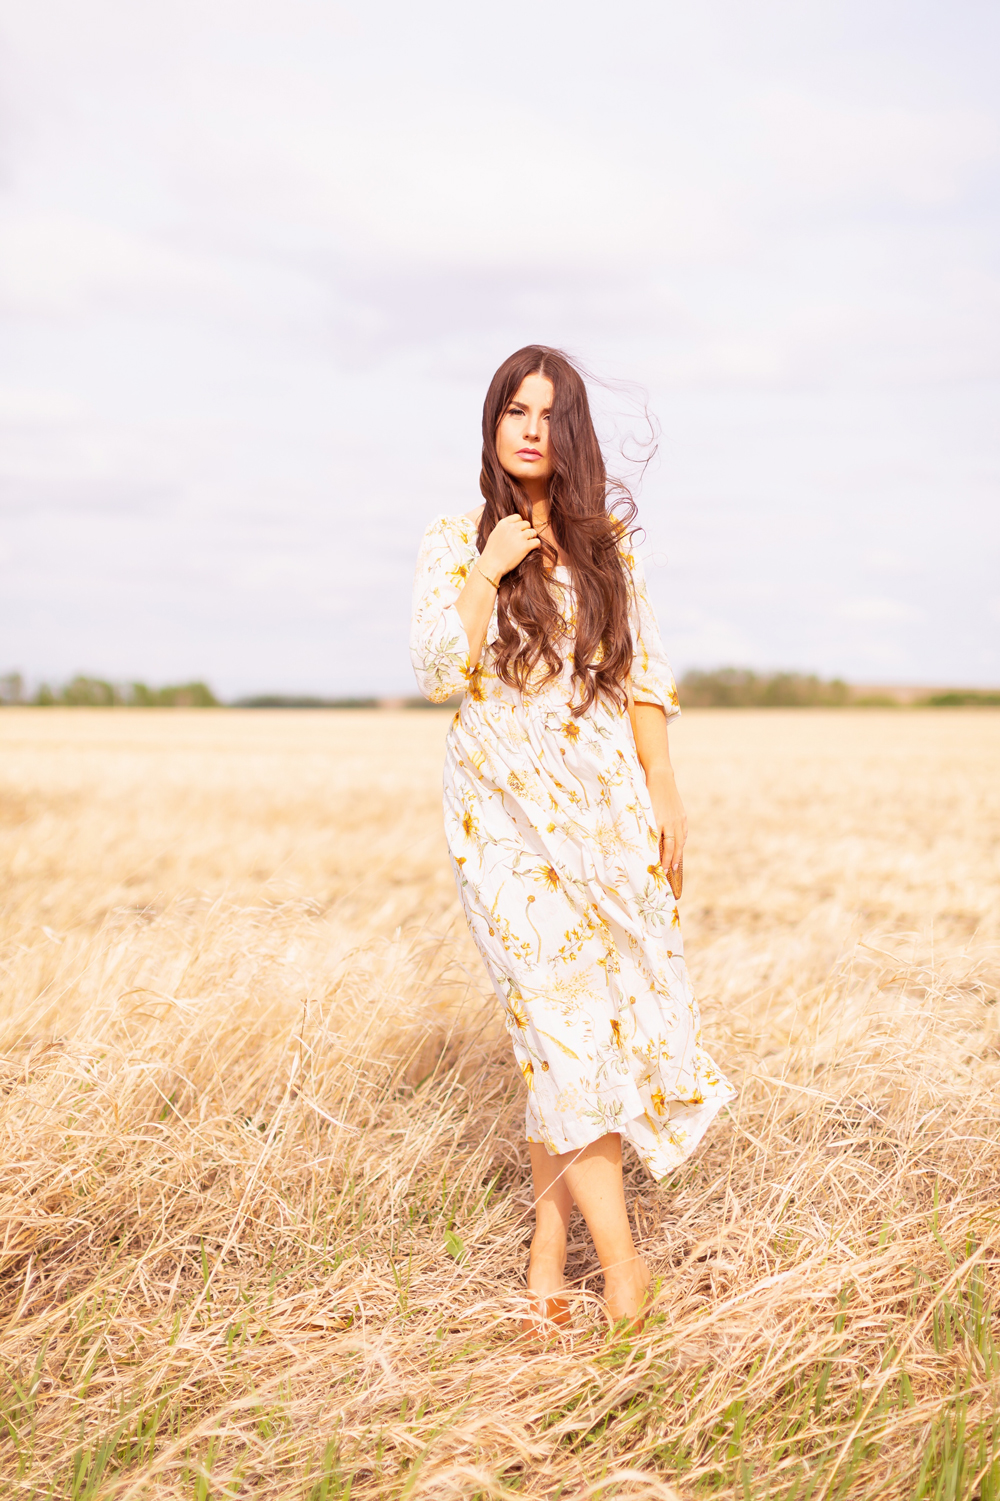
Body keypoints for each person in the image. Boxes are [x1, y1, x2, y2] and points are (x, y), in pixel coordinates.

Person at [409, 346, 735, 1331]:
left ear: (572, 430)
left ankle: (547, 1264)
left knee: (577, 1041)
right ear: (493, 423)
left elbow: (642, 673)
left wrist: (665, 790)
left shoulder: (608, 551)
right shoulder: (453, 537)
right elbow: (434, 667)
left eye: (551, 412)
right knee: (562, 1026)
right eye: (516, 408)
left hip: (601, 816)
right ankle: (627, 1282)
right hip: (498, 822)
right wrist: (488, 567)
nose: (532, 426)